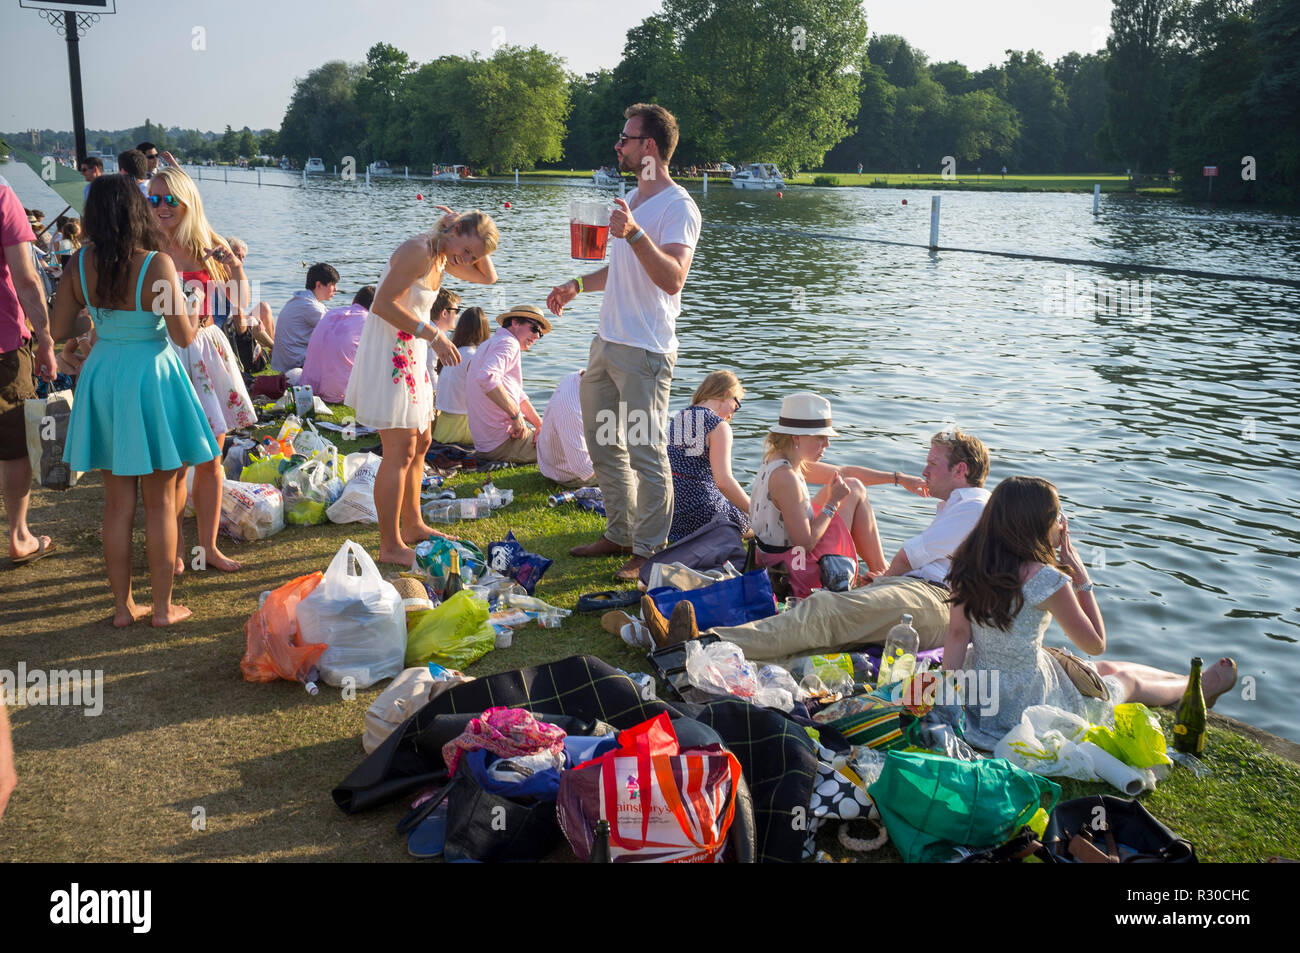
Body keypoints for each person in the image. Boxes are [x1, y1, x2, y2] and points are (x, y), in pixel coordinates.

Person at [944, 475, 1239, 750]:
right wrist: (1082, 580)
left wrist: (949, 700)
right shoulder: (1046, 580)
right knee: (1127, 682)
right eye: (1057, 515)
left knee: (1102, 669)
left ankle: (1185, 679)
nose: (1062, 523)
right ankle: (1198, 686)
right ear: (1037, 524)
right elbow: (1095, 643)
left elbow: (957, 635)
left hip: (982, 691)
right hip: (1028, 700)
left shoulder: (967, 565)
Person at [655, 427, 991, 658]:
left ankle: (699, 644)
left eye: (932, 463)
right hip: (920, 593)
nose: (925, 470)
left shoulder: (973, 506)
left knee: (825, 611)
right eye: (821, 436)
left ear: (960, 470)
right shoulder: (958, 506)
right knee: (824, 628)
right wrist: (884, 579)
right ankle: (710, 647)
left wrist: (883, 580)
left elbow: (907, 556)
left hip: (933, 598)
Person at [54, 174, 218, 626]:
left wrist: (96, 319)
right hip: (151, 374)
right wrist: (192, 306)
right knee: (161, 500)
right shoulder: (156, 263)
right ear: (137, 211)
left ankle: (122, 608)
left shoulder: (78, 263)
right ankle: (163, 609)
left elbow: (60, 328)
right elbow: (183, 335)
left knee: (116, 502)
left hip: (104, 371)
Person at [547, 103, 702, 581]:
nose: (618, 146)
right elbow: (622, 270)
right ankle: (619, 533)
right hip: (607, 342)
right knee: (602, 442)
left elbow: (672, 278)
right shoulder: (632, 197)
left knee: (644, 450)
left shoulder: (678, 207)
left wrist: (634, 233)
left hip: (645, 351)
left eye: (625, 139)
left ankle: (649, 550)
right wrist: (577, 284)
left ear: (648, 146)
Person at [345, 207, 498, 567]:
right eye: (467, 251)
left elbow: (488, 278)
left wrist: (473, 244)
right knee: (399, 450)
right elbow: (381, 304)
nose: (468, 261)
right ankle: (390, 545)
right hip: (392, 354)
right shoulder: (420, 250)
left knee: (422, 442)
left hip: (413, 352)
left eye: (473, 256)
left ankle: (413, 525)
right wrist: (434, 334)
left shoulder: (444, 257)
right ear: (454, 231)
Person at [148, 166, 256, 574]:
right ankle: (175, 548)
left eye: (168, 199)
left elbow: (241, 301)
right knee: (173, 463)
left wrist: (235, 266)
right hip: (163, 351)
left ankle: (207, 548)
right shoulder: (143, 243)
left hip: (206, 350)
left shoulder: (207, 243)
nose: (160, 207)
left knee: (211, 457)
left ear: (187, 201)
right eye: (153, 199)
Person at [747, 392, 928, 598]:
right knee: (852, 489)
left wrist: (898, 478)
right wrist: (832, 502)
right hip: (793, 571)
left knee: (852, 484)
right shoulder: (786, 477)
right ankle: (882, 573)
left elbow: (845, 472)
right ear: (796, 437)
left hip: (778, 559)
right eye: (820, 437)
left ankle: (882, 571)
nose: (827, 444)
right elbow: (805, 544)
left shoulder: (780, 459)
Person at [0, 176, 58, 566]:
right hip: (3, 345)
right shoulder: (2, 193)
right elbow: (25, 277)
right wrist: (46, 340)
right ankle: (19, 536)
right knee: (12, 444)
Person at [666, 370, 749, 541]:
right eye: (736, 406)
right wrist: (756, 511)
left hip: (672, 511)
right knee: (753, 518)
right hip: (702, 511)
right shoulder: (718, 426)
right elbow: (723, 482)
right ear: (726, 394)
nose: (732, 415)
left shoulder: (681, 416)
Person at [465, 304, 548, 464]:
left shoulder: (490, 343)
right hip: (503, 443)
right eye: (534, 328)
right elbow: (487, 377)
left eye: (540, 333)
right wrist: (515, 416)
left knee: (553, 432)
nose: (537, 336)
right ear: (515, 322)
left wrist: (539, 424)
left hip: (487, 444)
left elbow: (517, 395)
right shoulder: (509, 344)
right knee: (568, 443)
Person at [299, 285, 375, 403]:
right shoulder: (369, 321)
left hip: (308, 388)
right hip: (339, 393)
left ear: (354, 299)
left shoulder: (331, 313)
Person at [431, 305, 489, 446]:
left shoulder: (453, 352)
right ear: (484, 330)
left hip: (443, 427)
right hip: (463, 428)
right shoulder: (474, 356)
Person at [272, 263, 338, 373]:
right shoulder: (310, 306)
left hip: (286, 362)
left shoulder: (300, 299)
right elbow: (337, 331)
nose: (336, 289)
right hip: (297, 364)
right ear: (319, 285)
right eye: (333, 284)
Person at [536, 369, 596, 488]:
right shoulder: (573, 408)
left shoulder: (575, 378)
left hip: (557, 462)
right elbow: (584, 468)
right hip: (571, 474)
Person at [220, 236, 275, 346]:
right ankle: (274, 348)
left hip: (236, 318)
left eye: (243, 257)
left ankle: (272, 348)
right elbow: (233, 312)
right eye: (237, 255)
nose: (241, 260)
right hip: (224, 324)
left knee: (264, 307)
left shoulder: (236, 275)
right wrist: (251, 319)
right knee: (253, 321)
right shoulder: (220, 274)